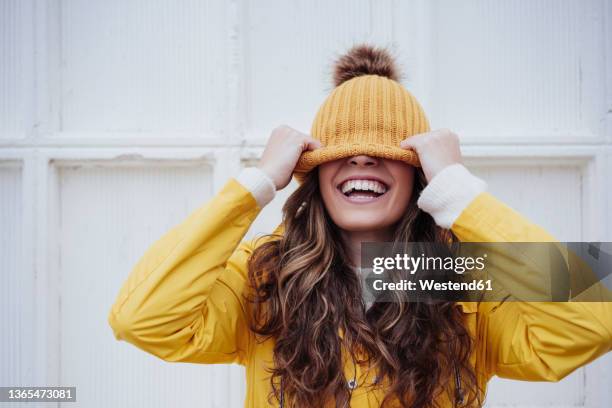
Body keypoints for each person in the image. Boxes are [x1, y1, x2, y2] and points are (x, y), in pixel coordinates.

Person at [107, 44, 612, 408]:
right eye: (343, 154)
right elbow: (142, 319)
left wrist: (462, 194)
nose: (362, 161)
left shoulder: (456, 276)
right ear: (316, 173)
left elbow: (599, 314)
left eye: (386, 154)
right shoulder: (267, 274)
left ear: (419, 176)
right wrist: (257, 183)